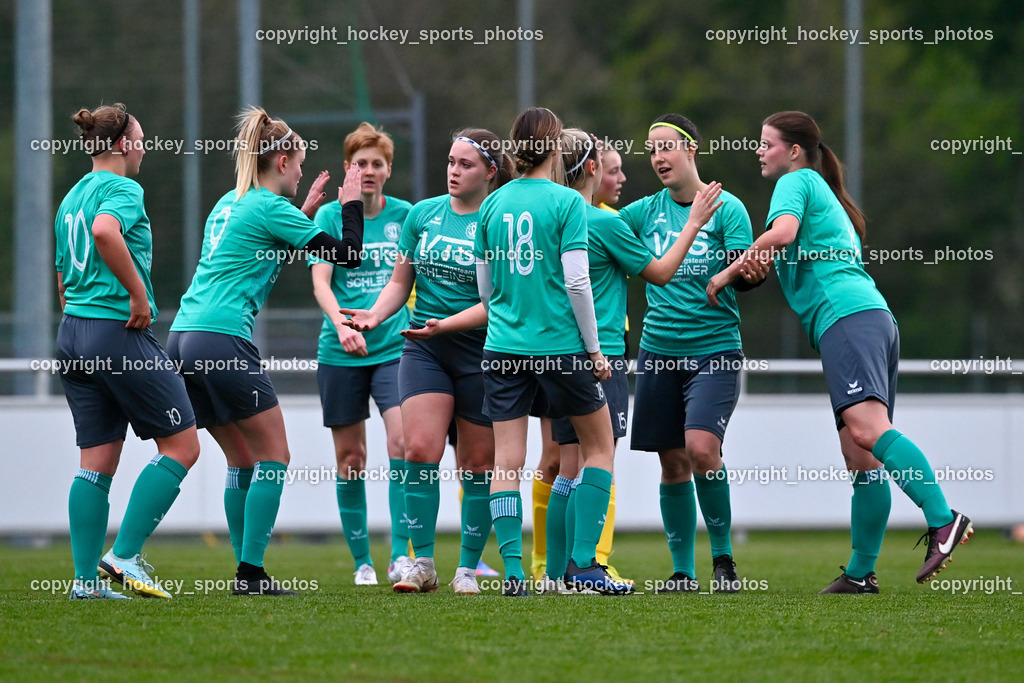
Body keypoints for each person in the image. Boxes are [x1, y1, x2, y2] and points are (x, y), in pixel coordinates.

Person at [707, 110, 973, 592]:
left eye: (766, 143)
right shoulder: (821, 190)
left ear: (793, 151)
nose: (759, 151)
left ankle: (943, 519)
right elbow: (789, 249)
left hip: (848, 319)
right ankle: (859, 573)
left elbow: (782, 235)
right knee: (860, 452)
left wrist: (727, 272)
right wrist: (757, 265)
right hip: (871, 319)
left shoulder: (796, 180)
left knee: (868, 430)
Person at [167, 107, 365, 595]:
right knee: (274, 453)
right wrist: (351, 204)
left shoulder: (229, 202)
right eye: (298, 164)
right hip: (222, 337)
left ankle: (243, 570)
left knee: (242, 460)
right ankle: (251, 573)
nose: (301, 172)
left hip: (184, 335)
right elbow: (348, 255)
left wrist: (304, 212)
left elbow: (261, 249)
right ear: (280, 161)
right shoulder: (267, 207)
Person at [344, 128, 514, 594]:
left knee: (478, 464)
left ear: (490, 173)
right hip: (424, 346)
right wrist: (375, 315)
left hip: (481, 349)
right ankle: (421, 564)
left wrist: (448, 324)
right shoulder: (423, 215)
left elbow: (496, 301)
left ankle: (466, 569)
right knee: (418, 450)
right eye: (451, 161)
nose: (454, 171)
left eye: (466, 165)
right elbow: (401, 282)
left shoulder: (498, 221)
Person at [473, 107, 632, 596]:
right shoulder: (566, 202)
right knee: (599, 449)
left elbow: (485, 288)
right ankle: (585, 567)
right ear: (555, 145)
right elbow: (578, 281)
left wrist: (508, 317)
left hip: (502, 347)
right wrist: (595, 350)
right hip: (561, 349)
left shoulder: (492, 205)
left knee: (507, 462)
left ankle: (517, 574)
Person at [55, 103, 201, 600]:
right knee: (183, 445)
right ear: (120, 144)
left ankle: (83, 583)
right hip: (115, 332)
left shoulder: (71, 196)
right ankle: (125, 556)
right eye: (140, 137)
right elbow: (104, 232)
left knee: (95, 463)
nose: (143, 145)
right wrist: (138, 295)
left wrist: (81, 313)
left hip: (72, 333)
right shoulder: (123, 188)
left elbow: (63, 277)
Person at [620, 114, 768, 594]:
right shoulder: (643, 212)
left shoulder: (728, 209)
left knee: (703, 449)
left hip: (714, 350)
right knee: (671, 462)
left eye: (666, 147)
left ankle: (723, 561)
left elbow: (749, 271)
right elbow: (598, 233)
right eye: (651, 150)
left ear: (691, 150)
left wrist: (747, 273)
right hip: (659, 352)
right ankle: (683, 572)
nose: (659, 157)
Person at [310, 122, 412, 586]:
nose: (368, 171)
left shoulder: (406, 217)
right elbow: (320, 282)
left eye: (376, 163)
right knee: (351, 459)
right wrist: (341, 325)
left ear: (389, 169)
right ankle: (362, 563)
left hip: (393, 348)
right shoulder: (331, 217)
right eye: (359, 163)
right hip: (340, 350)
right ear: (348, 169)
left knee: (403, 447)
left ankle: (398, 558)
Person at [593, 146, 626, 212]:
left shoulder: (616, 218)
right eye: (614, 171)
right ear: (591, 169)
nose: (623, 178)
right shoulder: (568, 216)